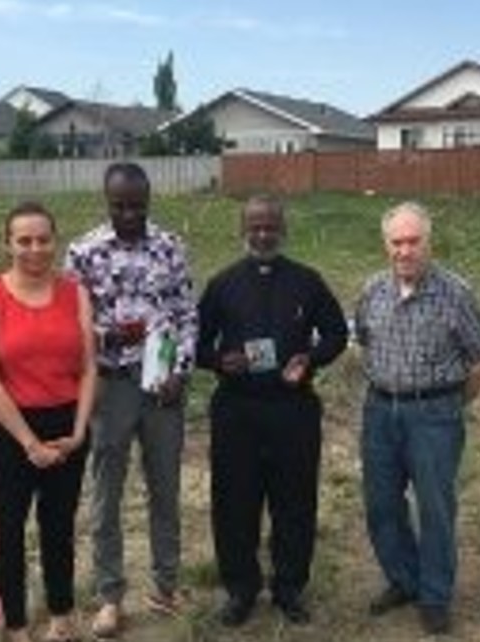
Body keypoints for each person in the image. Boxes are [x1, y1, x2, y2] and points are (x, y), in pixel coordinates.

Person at [196, 195, 348, 627]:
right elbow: (197, 343)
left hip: (293, 411)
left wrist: (310, 359)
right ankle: (241, 590)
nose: (263, 234)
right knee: (234, 504)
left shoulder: (307, 281)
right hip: (236, 412)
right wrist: (220, 360)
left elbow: (336, 333)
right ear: (242, 229)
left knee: (294, 502)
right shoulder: (223, 283)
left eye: (271, 226)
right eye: (255, 226)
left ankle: (289, 588)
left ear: (283, 229)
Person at [354, 201, 480, 636]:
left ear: (428, 243)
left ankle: (435, 596)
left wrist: (451, 406)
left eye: (413, 241)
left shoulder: (455, 293)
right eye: (396, 242)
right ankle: (404, 579)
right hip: (379, 410)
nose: (405, 251)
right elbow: (363, 340)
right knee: (381, 504)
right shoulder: (371, 291)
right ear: (386, 246)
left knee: (435, 509)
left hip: (435, 414)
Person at [65, 162, 197, 638]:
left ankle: (165, 584)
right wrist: (109, 333)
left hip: (161, 386)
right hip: (111, 385)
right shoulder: (83, 252)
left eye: (137, 205)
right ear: (106, 201)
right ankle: (109, 596)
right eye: (119, 205)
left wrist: (180, 370)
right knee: (107, 494)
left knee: (165, 489)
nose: (128, 214)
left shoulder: (170, 247)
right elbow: (71, 324)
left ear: (149, 199)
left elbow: (186, 314)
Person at [0, 201, 96, 642]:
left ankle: (61, 613)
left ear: (55, 241)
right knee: (10, 531)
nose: (35, 249)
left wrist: (78, 432)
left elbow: (89, 368)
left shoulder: (75, 293)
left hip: (66, 428)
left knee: (59, 526)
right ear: (8, 244)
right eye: (24, 240)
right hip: (11, 431)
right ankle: (16, 624)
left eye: (43, 239)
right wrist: (29, 444)